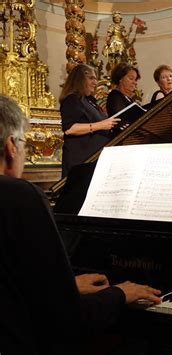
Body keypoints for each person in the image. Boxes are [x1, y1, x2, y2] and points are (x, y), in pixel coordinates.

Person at [0, 94, 161, 354]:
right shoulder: (19, 196)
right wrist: (119, 294)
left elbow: (15, 288)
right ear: (11, 147)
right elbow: (68, 320)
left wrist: (67, 286)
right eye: (23, 143)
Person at [60, 64, 121, 177]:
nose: (95, 82)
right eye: (91, 78)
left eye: (96, 78)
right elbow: (70, 129)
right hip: (81, 161)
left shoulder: (89, 101)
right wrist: (101, 125)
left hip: (95, 160)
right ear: (79, 79)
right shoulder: (72, 99)